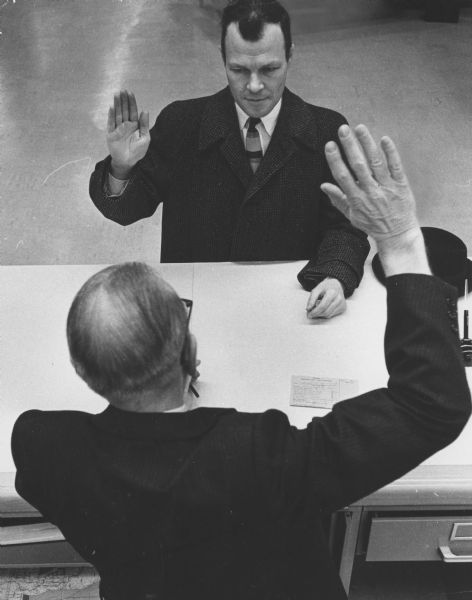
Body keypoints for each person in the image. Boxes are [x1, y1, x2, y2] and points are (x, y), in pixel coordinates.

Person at [14, 124, 470, 600]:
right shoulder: (263, 457)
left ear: (83, 372)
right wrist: (400, 242)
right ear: (191, 354)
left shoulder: (43, 448)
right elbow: (430, 405)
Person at [89, 0, 370, 321]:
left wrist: (335, 277)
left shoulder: (326, 131)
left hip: (292, 308)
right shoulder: (181, 124)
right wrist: (122, 168)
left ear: (290, 55)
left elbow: (347, 227)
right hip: (204, 307)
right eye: (239, 69)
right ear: (223, 59)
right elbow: (125, 211)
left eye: (269, 69)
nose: (254, 86)